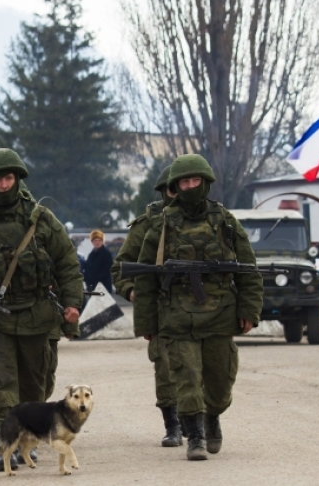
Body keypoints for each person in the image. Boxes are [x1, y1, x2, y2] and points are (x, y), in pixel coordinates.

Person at [0, 148, 83, 472]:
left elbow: (67, 263)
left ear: (17, 179)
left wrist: (72, 304)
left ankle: (28, 438)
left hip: (37, 315)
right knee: (3, 382)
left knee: (36, 385)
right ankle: (5, 443)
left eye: (9, 178)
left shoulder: (41, 219)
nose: (4, 184)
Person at [133, 154, 263, 461]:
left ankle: (212, 416)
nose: (191, 186)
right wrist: (147, 324)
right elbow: (145, 276)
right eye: (185, 182)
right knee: (187, 378)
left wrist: (249, 310)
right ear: (176, 186)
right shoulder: (161, 224)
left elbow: (249, 269)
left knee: (220, 383)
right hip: (177, 316)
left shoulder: (224, 220)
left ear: (205, 183)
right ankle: (195, 437)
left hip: (220, 314)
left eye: (195, 181)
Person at [111, 166, 183, 447]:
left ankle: (197, 421)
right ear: (164, 191)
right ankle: (173, 424)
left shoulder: (211, 219)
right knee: (165, 367)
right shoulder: (149, 224)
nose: (181, 193)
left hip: (203, 308)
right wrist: (132, 291)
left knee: (204, 369)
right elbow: (121, 267)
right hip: (161, 308)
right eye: (174, 188)